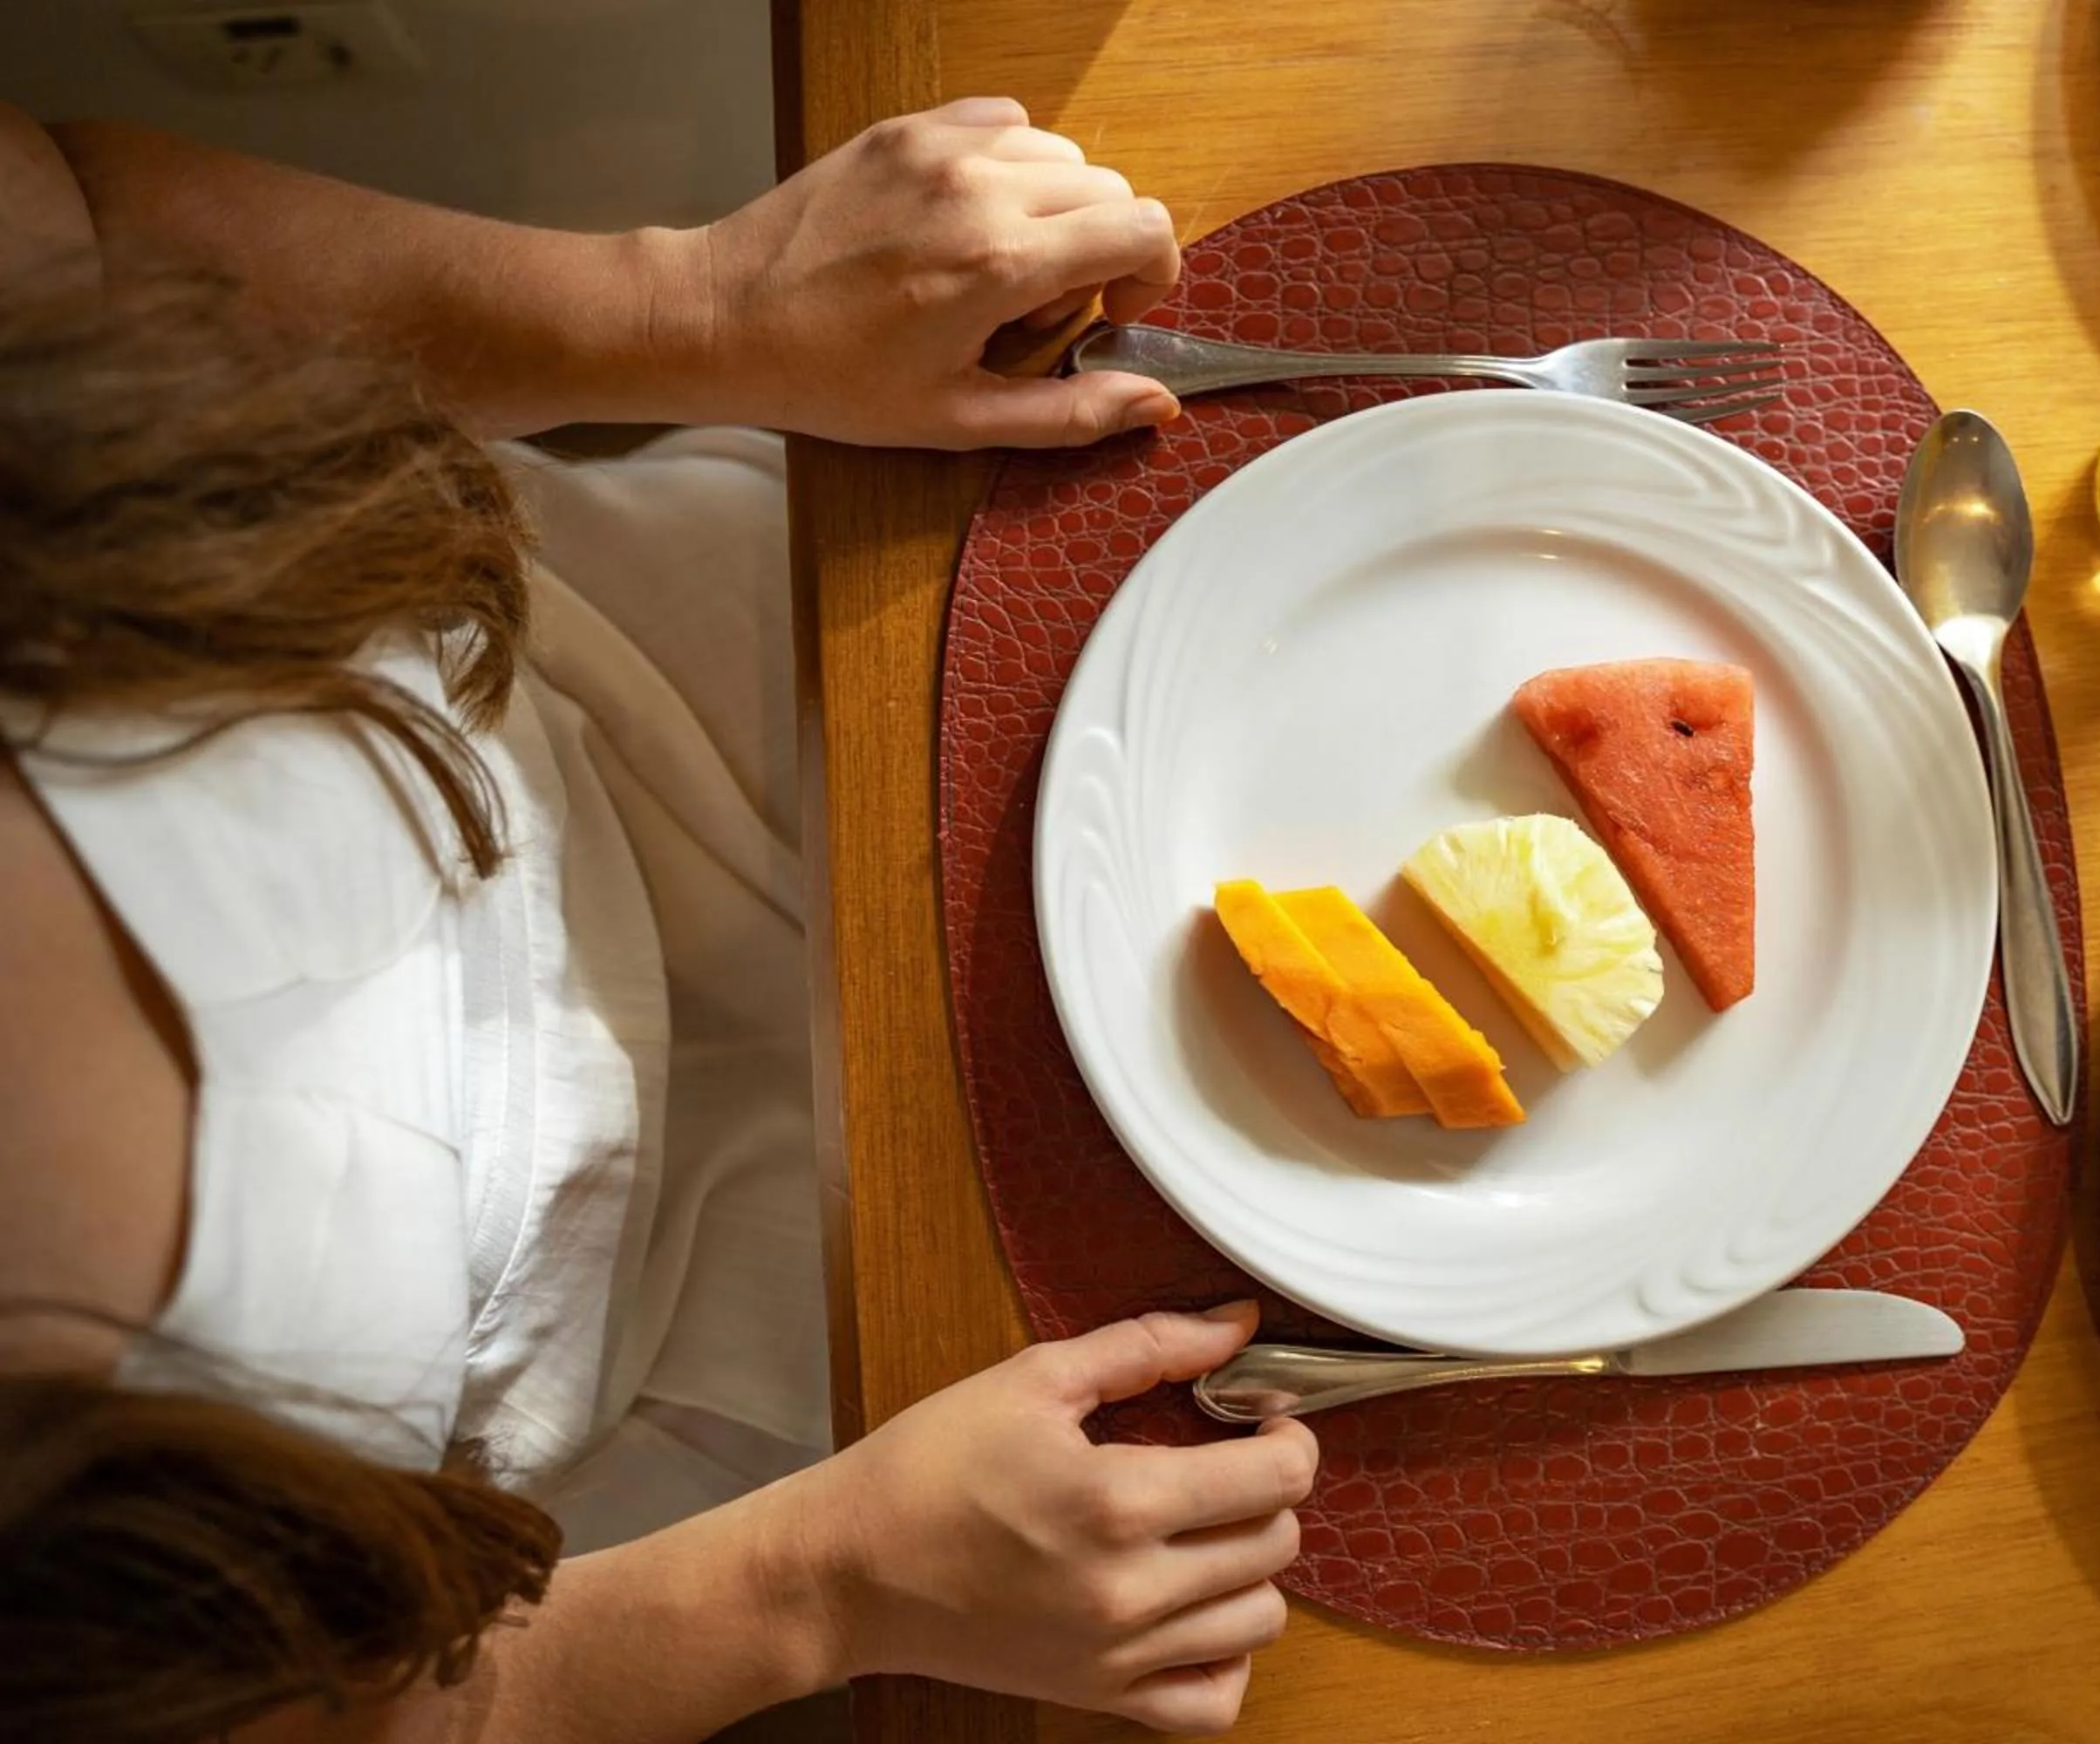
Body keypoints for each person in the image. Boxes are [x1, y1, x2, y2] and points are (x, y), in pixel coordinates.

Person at [0, 94, 1316, 1741]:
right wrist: (824, 1586)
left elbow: (68, 223)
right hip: (770, 1388)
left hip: (713, 654)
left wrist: (691, 307)